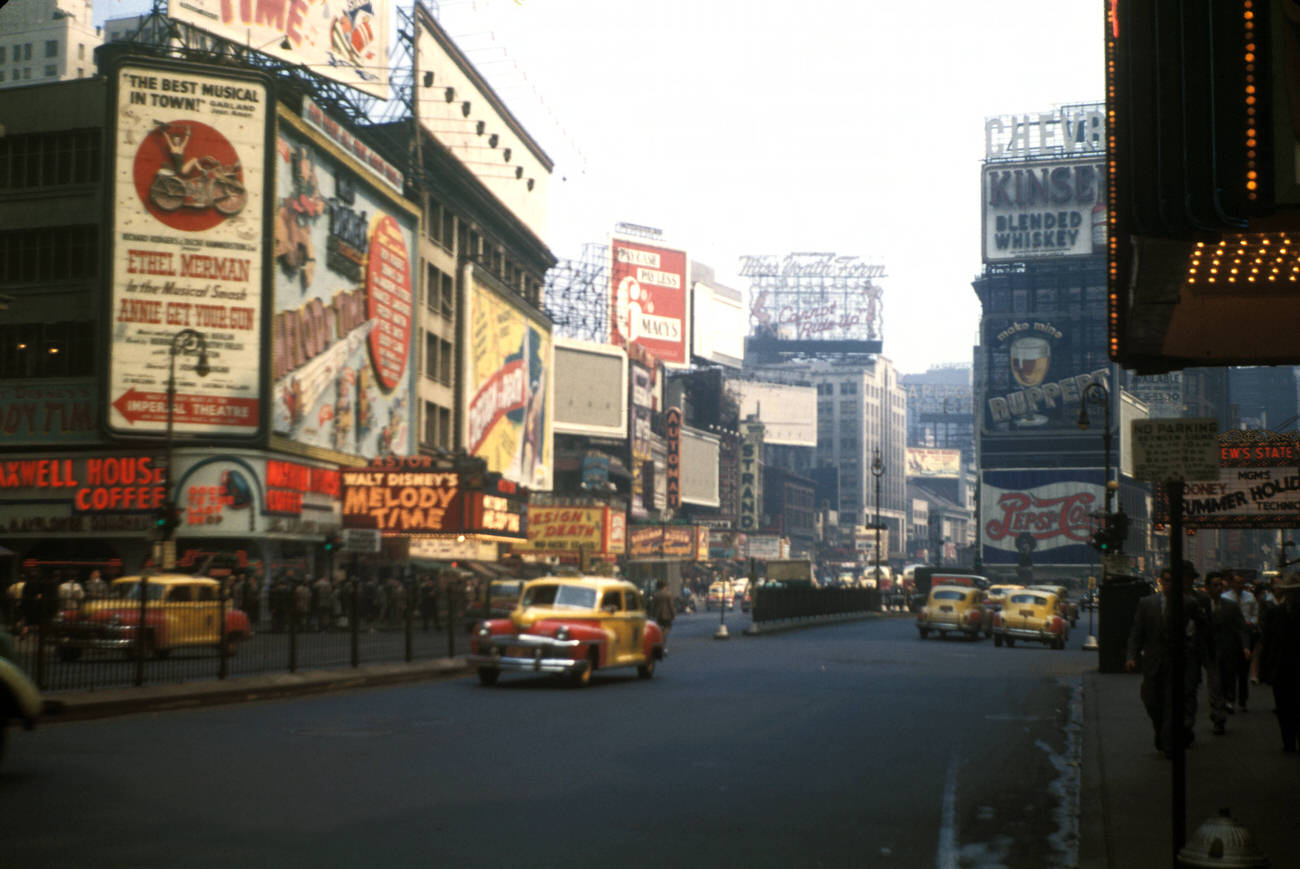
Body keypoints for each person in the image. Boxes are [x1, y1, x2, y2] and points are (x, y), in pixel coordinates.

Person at [1127, 564, 1208, 755]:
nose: (1169, 584)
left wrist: (1195, 646)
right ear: (1160, 582)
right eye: (1166, 581)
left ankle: (1169, 741)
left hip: (1178, 661)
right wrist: (1131, 656)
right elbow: (1137, 632)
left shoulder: (1188, 602)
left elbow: (1203, 626)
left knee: (1172, 703)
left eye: (1173, 581)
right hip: (1153, 662)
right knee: (1151, 700)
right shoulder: (1147, 603)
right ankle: (1161, 731)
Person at [1257, 572, 1300, 751]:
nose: (1293, 595)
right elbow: (1268, 643)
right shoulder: (1275, 613)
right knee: (1283, 708)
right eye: (1290, 592)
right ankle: (1288, 741)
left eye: (1295, 592)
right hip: (1281, 668)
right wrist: (1265, 669)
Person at [1203, 572, 1249, 735]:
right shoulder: (1201, 606)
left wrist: (1245, 646)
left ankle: (1225, 702)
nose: (1218, 588)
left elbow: (1241, 627)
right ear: (1207, 587)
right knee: (1214, 684)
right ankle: (1218, 718)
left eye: (1220, 585)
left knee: (1227, 682)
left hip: (1229, 651)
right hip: (1210, 652)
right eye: (1214, 585)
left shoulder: (1231, 606)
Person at [1221, 570, 1259, 712]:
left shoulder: (1250, 597)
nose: (1239, 585)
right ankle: (1230, 699)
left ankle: (1243, 700)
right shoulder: (1225, 597)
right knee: (1230, 670)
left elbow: (1256, 614)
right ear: (1231, 583)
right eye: (1236, 582)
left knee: (1243, 671)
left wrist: (1252, 622)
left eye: (1242, 583)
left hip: (1247, 635)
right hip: (1230, 637)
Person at [652, 579, 675, 647]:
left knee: (659, 627)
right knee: (667, 627)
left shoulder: (656, 594)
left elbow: (654, 605)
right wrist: (673, 614)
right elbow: (671, 605)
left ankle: (659, 638)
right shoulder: (668, 594)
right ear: (664, 586)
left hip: (658, 614)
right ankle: (662, 639)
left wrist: (653, 614)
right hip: (667, 614)